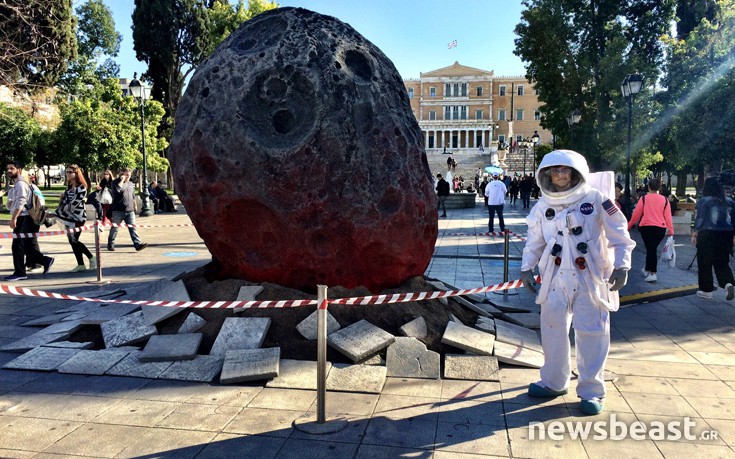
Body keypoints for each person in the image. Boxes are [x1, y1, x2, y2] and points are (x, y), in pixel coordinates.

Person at [520, 150, 635, 415]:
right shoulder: (543, 206)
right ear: (547, 174)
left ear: (576, 173)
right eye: (555, 170)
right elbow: (535, 240)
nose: (560, 175)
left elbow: (620, 234)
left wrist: (622, 265)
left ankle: (592, 391)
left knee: (592, 331)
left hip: (590, 277)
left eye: (565, 170)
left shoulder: (595, 200)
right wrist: (526, 268)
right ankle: (553, 381)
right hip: (554, 277)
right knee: (552, 329)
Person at [5, 160, 54, 281]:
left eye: (12, 168)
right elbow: (12, 203)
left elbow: (21, 202)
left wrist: (14, 218)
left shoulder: (21, 184)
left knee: (18, 246)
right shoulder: (17, 184)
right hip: (23, 217)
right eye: (8, 169)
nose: (9, 171)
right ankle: (45, 260)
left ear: (19, 170)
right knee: (24, 246)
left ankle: (20, 272)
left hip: (24, 218)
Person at [692, 176, 735, 300]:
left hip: (707, 233)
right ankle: (728, 284)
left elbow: (699, 218)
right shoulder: (730, 201)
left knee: (704, 262)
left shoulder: (704, 201)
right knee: (722, 261)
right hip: (726, 234)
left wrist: (694, 233)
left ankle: (707, 290)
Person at [627, 178, 674, 282]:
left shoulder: (643, 199)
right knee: (651, 249)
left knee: (651, 249)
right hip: (660, 228)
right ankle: (647, 269)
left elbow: (636, 215)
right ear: (659, 187)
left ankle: (652, 272)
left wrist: (629, 225)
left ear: (648, 187)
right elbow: (668, 216)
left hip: (646, 227)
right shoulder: (665, 200)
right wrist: (671, 229)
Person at [54, 164, 96, 272]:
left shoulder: (81, 188)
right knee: (72, 241)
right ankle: (81, 264)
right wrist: (57, 212)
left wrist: (63, 209)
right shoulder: (68, 189)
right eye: (66, 172)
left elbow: (73, 205)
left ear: (76, 174)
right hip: (68, 218)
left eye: (70, 172)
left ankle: (91, 257)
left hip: (78, 218)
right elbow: (64, 204)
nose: (67, 174)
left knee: (74, 241)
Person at [107, 167, 148, 252]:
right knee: (115, 228)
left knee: (133, 228)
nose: (128, 177)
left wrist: (135, 204)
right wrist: (122, 180)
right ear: (122, 174)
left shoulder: (130, 183)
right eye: (126, 175)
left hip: (130, 210)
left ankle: (137, 244)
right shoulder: (115, 182)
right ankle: (111, 244)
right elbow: (117, 190)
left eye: (129, 175)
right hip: (118, 210)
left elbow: (132, 195)